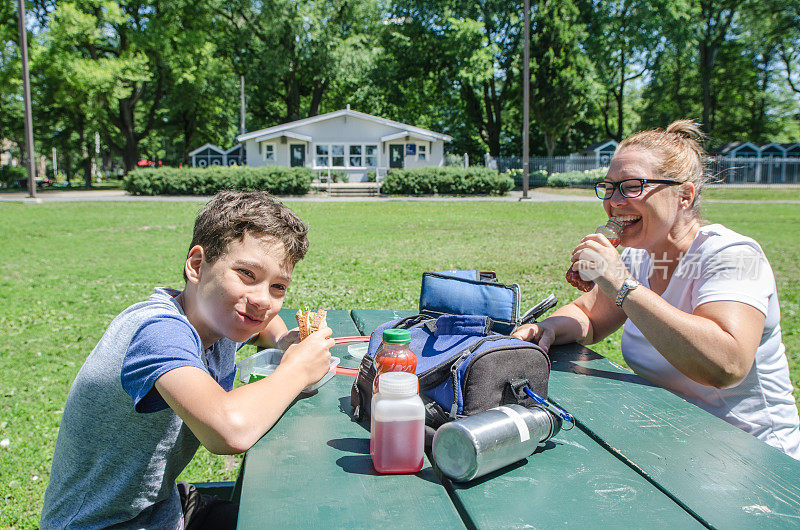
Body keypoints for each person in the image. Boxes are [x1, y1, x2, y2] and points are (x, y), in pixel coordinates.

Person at [41, 190, 334, 529]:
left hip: (163, 510)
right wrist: (295, 368)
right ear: (197, 266)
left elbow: (263, 323)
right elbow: (229, 431)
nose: (261, 300)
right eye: (247, 274)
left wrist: (284, 341)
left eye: (278, 287)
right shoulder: (158, 331)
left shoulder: (217, 317)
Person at [513, 120, 800, 459]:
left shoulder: (732, 255)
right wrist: (547, 329)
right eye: (609, 187)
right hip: (672, 443)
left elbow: (726, 365)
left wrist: (621, 284)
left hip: (755, 459)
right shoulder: (639, 257)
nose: (614, 202)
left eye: (632, 186)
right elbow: (589, 314)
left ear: (684, 195)